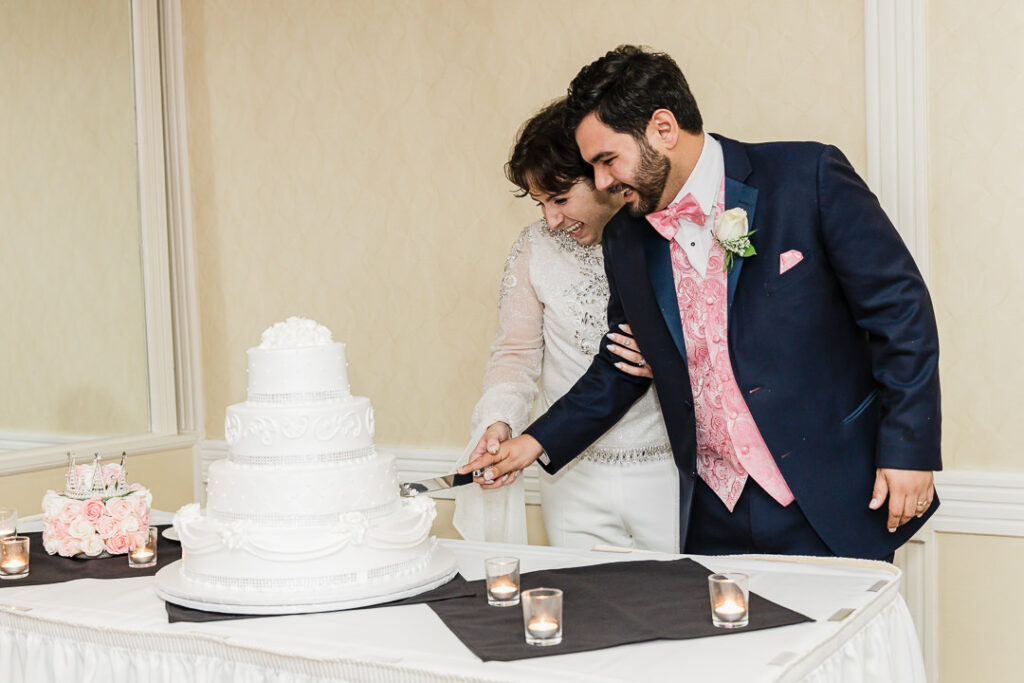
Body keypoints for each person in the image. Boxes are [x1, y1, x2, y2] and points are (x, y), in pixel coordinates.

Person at [462, 46, 941, 561]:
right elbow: (623, 364)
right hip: (712, 514)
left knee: (846, 641)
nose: (602, 182)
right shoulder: (626, 237)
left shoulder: (806, 174)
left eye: (607, 160)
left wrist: (908, 450)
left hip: (827, 495)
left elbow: (900, 311)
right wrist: (532, 443)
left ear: (663, 129)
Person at [453, 99, 679, 553]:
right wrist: (501, 420)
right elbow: (515, 354)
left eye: (559, 199)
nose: (551, 220)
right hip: (571, 474)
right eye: (540, 204)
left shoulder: (662, 236)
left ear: (604, 175)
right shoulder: (535, 248)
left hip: (668, 470)